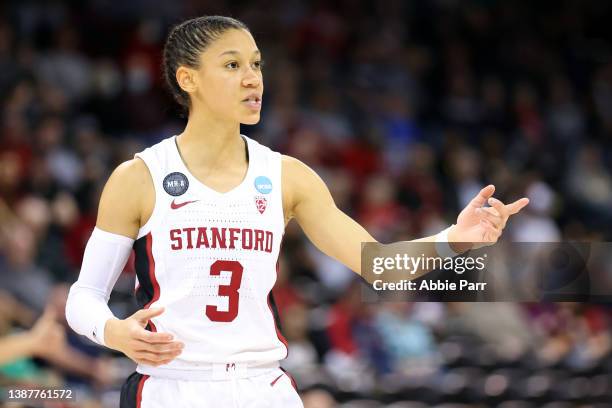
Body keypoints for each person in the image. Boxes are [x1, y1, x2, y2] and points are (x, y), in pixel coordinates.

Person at [65, 15, 529, 408]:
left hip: (263, 385)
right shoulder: (140, 176)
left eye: (256, 65)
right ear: (188, 79)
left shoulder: (288, 176)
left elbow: (380, 266)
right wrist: (113, 333)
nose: (252, 78)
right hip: (170, 386)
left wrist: (455, 237)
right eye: (232, 65)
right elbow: (82, 296)